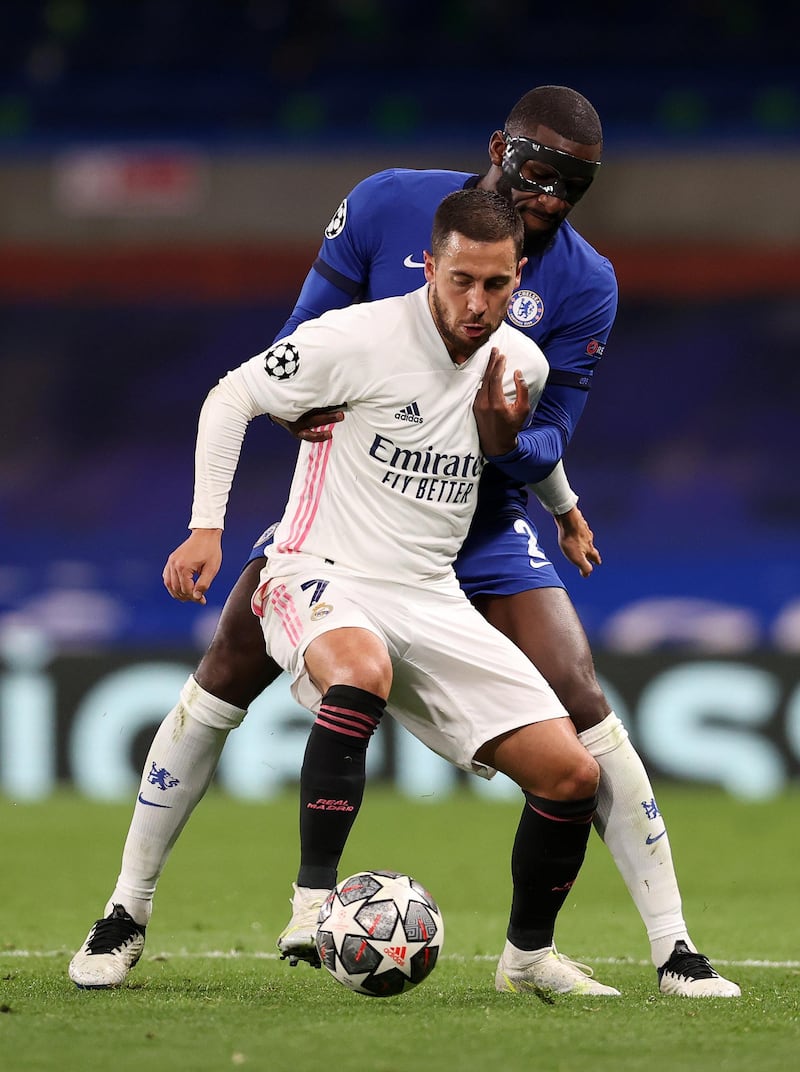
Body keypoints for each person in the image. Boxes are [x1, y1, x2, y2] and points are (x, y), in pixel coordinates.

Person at [68, 86, 739, 998]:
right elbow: (290, 354)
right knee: (230, 675)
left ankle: (664, 947)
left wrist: (536, 471)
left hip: (480, 519)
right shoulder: (386, 208)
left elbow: (553, 437)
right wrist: (242, 479)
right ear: (494, 155)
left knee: (581, 711)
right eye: (535, 172)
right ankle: (129, 910)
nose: (547, 196)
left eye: (570, 186)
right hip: (345, 521)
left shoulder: (582, 290)